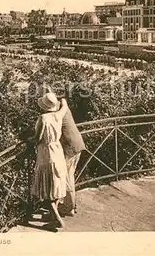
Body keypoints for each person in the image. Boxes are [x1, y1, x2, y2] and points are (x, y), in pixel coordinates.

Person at [31, 92, 68, 228]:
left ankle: (58, 220)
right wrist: (61, 98)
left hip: (46, 153)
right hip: (58, 151)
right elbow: (64, 105)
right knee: (56, 186)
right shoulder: (59, 114)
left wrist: (31, 142)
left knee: (46, 191)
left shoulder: (43, 118)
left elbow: (38, 137)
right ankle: (54, 215)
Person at [58, 91, 86, 217]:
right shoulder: (65, 107)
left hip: (69, 147)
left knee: (66, 178)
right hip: (77, 143)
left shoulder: (57, 114)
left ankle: (68, 207)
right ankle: (72, 205)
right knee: (70, 176)